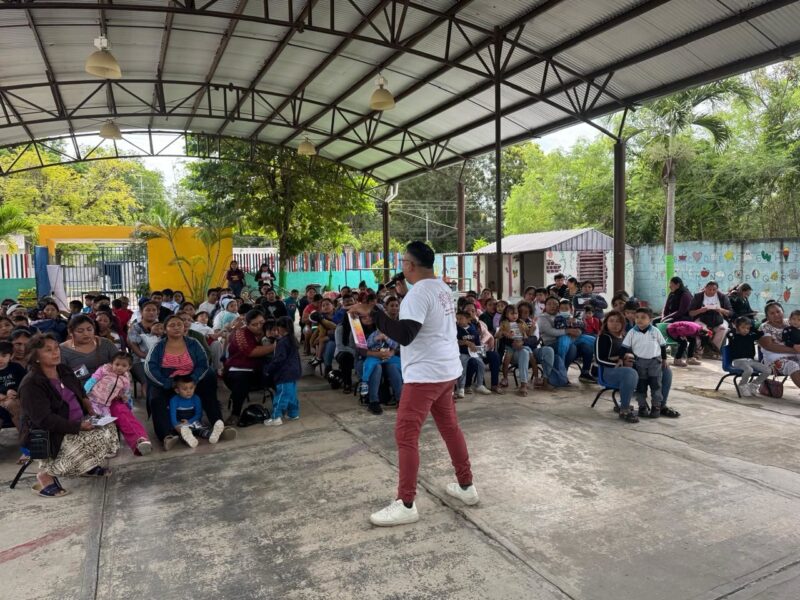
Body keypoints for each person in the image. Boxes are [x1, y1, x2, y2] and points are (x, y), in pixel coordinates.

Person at [350, 241, 478, 526]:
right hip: (447, 371)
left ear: (410, 264)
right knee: (450, 428)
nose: (401, 266)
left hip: (425, 375)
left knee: (406, 436)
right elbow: (424, 319)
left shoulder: (417, 295)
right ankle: (466, 486)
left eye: (403, 261)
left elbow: (406, 335)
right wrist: (398, 299)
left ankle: (406, 503)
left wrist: (375, 315)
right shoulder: (442, 287)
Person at [19, 334, 119, 497]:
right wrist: (78, 426)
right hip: (50, 432)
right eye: (48, 350)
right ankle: (45, 476)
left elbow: (77, 388)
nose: (55, 353)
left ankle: (87, 465)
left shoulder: (62, 369)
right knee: (87, 441)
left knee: (108, 429)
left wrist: (85, 400)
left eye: (56, 348)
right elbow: (43, 420)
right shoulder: (31, 384)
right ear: (35, 357)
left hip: (76, 422)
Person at [145, 315, 227, 449]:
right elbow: (150, 368)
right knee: (156, 398)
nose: (176, 327)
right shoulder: (158, 347)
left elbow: (203, 363)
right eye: (172, 325)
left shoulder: (193, 343)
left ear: (184, 328)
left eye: (179, 324)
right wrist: (167, 383)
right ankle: (166, 436)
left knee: (208, 387)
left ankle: (219, 424)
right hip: (167, 380)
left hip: (191, 379)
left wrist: (194, 379)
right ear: (165, 330)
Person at [83, 352, 152, 455]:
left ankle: (110, 447)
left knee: (108, 424)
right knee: (95, 421)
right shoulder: (104, 370)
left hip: (106, 404)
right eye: (117, 364)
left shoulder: (125, 379)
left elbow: (125, 393)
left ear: (129, 367)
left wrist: (126, 401)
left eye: (124, 366)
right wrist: (83, 392)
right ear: (112, 363)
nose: (119, 368)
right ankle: (94, 447)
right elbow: (93, 380)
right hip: (94, 400)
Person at [621, 307, 680, 419]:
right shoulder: (632, 332)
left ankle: (656, 407)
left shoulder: (655, 331)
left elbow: (663, 345)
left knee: (656, 385)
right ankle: (642, 407)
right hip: (639, 363)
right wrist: (620, 358)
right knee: (641, 386)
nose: (639, 320)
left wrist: (663, 359)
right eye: (637, 317)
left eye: (643, 317)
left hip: (655, 362)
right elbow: (624, 347)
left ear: (650, 319)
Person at [223, 310, 274, 426]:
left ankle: (283, 406)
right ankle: (235, 414)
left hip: (259, 369)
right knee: (241, 380)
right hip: (237, 369)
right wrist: (275, 346)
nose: (259, 326)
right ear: (247, 324)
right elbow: (251, 352)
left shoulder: (269, 328)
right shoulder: (241, 333)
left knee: (281, 373)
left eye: (261, 322)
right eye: (254, 324)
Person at [595, 311, 641, 422]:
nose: (615, 324)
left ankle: (659, 405)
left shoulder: (625, 337)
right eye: (611, 321)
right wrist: (619, 362)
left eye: (618, 321)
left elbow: (634, 354)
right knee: (630, 373)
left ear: (623, 324)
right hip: (609, 372)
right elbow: (599, 359)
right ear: (606, 323)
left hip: (626, 370)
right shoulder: (604, 337)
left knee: (663, 370)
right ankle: (624, 410)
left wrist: (630, 357)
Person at [263, 316, 302, 426]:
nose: (276, 330)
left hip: (285, 373)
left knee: (281, 395)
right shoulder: (292, 339)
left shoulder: (282, 342)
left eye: (277, 328)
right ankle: (293, 413)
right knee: (291, 394)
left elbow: (279, 359)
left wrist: (269, 369)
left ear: (282, 328)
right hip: (294, 372)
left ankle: (276, 417)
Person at [169, 375, 224, 448]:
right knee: (181, 432)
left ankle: (212, 435)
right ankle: (190, 439)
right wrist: (177, 425)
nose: (189, 391)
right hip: (180, 424)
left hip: (193, 422)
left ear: (195, 387)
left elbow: (199, 414)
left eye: (191, 388)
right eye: (185, 389)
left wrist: (189, 422)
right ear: (177, 390)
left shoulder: (196, 398)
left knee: (201, 429)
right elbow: (172, 416)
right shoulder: (174, 400)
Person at [59, 315, 118, 384]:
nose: (86, 334)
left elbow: (122, 363)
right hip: (78, 389)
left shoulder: (106, 344)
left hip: (108, 386)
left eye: (89, 329)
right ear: (70, 332)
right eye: (80, 331)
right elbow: (63, 376)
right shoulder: (62, 350)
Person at [758, 302, 800, 390]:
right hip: (775, 359)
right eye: (772, 313)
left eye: (778, 311)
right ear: (767, 316)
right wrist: (794, 350)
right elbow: (769, 346)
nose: (776, 315)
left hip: (795, 354)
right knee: (792, 365)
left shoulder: (790, 323)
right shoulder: (765, 327)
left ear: (783, 311)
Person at [495, 305, 534, 396]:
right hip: (509, 347)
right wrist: (504, 333)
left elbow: (528, 334)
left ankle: (524, 384)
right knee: (506, 361)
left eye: (516, 313)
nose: (514, 315)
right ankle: (505, 378)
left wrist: (531, 329)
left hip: (521, 346)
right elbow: (497, 335)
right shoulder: (504, 323)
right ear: (506, 314)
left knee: (526, 353)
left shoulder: (521, 322)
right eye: (512, 314)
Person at [727, 316, 770, 396]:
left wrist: (752, 327)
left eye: (747, 328)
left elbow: (761, 333)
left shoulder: (750, 336)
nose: (745, 330)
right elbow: (729, 333)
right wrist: (736, 328)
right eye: (743, 327)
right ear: (737, 327)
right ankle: (742, 385)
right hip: (738, 361)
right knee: (749, 370)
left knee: (768, 370)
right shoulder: (733, 336)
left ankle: (753, 385)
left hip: (750, 360)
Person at [689, 281, 732, 353]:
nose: (711, 291)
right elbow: (691, 313)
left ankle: (713, 350)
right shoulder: (698, 296)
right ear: (705, 288)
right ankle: (699, 350)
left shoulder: (722, 296)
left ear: (717, 289)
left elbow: (730, 312)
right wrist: (700, 310)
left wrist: (721, 310)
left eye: (714, 290)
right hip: (702, 319)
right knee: (699, 329)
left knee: (723, 329)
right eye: (709, 289)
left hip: (718, 319)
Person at [455, 311, 491, 397]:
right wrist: (465, 342)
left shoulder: (473, 329)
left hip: (473, 353)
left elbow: (478, 343)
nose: (458, 321)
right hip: (462, 353)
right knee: (463, 367)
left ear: (468, 320)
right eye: (457, 319)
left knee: (481, 364)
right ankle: (461, 387)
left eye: (461, 319)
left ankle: (479, 385)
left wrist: (479, 349)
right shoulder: (456, 329)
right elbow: (455, 342)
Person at [0, 340, 26, 429]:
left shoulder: (16, 368)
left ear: (11, 356)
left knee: (12, 405)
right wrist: (3, 394)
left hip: (15, 398)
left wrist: (15, 391)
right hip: (1, 399)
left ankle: (24, 435)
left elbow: (25, 383)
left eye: (4, 356)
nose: (0, 359)